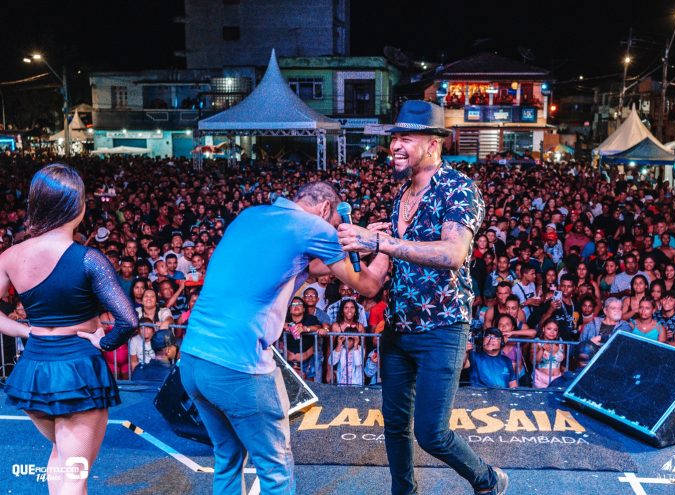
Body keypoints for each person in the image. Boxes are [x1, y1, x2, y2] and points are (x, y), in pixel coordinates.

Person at [337, 101, 507, 495]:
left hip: (442, 328)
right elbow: (371, 284)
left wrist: (380, 240)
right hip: (397, 328)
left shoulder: (458, 188)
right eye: (394, 138)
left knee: (431, 433)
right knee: (395, 426)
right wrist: (340, 251)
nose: (394, 145)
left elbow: (453, 254)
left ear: (433, 144)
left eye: (405, 138)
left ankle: (487, 479)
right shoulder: (401, 196)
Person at [179, 181, 388, 495]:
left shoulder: (251, 214)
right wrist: (383, 246)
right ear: (327, 209)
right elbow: (369, 287)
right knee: (276, 470)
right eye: (333, 225)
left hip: (193, 360)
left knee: (228, 455)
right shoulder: (314, 227)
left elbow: (315, 265)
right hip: (239, 366)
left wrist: (353, 243)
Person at [0, 164, 138, 494]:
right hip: (77, 371)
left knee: (60, 456)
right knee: (75, 475)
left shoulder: (10, 257)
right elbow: (129, 321)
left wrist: (24, 331)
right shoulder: (90, 259)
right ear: (77, 205)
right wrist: (104, 342)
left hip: (33, 369)